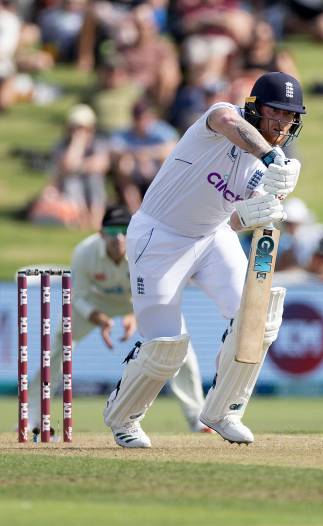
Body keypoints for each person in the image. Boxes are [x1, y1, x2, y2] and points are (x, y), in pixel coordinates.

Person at [102, 71, 305, 448]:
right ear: (255, 108)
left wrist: (263, 211)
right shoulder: (221, 119)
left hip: (213, 237)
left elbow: (234, 219)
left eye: (288, 116)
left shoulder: (267, 173)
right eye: (274, 111)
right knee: (165, 346)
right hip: (158, 236)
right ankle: (124, 418)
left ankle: (223, 410)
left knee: (258, 316)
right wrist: (272, 154)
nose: (280, 122)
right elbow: (227, 121)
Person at [28, 206, 210, 436]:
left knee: (179, 345)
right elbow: (78, 296)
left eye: (125, 230)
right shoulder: (85, 252)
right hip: (97, 301)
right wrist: (99, 318)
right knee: (57, 345)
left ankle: (197, 418)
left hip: (140, 301)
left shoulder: (147, 249)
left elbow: (160, 291)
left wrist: (135, 315)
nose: (119, 238)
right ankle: (31, 416)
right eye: (112, 231)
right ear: (101, 233)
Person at [29, 104, 109, 230]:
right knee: (72, 181)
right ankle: (81, 219)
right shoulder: (62, 145)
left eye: (82, 128)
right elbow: (67, 165)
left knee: (94, 179)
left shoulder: (98, 143)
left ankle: (96, 219)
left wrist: (78, 166)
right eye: (74, 128)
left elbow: (101, 165)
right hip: (66, 187)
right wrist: (77, 142)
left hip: (91, 183)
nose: (78, 131)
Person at [110, 98, 179, 212]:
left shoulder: (161, 130)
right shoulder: (127, 132)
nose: (142, 121)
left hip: (158, 168)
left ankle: (160, 208)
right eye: (138, 118)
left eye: (145, 117)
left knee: (165, 160)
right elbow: (114, 149)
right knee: (124, 164)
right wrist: (139, 156)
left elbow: (171, 148)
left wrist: (147, 155)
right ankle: (135, 211)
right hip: (135, 169)